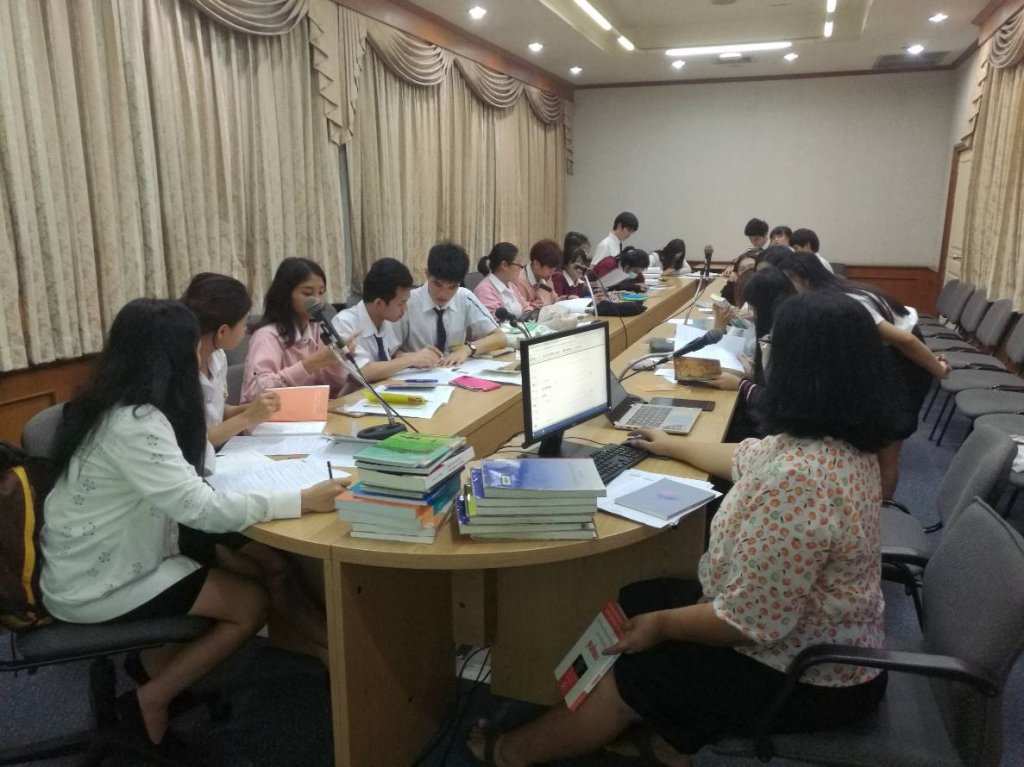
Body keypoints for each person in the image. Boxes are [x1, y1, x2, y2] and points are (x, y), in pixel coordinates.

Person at [468, 291, 892, 767]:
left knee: (641, 667)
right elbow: (745, 456)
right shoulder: (834, 442)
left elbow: (746, 623)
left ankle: (511, 752)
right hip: (806, 636)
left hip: (807, 676)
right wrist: (670, 446)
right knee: (637, 597)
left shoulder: (800, 479)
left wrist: (659, 627)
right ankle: (650, 730)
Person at [40, 299, 348, 747]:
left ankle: (152, 666)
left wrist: (191, 411)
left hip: (111, 556)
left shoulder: (118, 401)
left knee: (246, 572)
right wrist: (301, 500)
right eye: (192, 348)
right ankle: (151, 699)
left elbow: (199, 465)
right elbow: (201, 508)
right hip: (97, 580)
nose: (200, 355)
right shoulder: (135, 423)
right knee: (249, 604)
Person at [766, 250, 950, 497]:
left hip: (903, 365)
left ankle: (882, 511)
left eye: (789, 283)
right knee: (872, 443)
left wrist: (938, 369)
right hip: (885, 359)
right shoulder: (830, 296)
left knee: (887, 451)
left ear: (804, 277)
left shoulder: (849, 301)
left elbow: (906, 341)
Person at [180, 273, 280, 449]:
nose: (245, 329)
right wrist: (247, 417)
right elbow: (194, 441)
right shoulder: (180, 369)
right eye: (244, 323)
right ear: (223, 331)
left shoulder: (217, 357)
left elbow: (215, 411)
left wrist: (253, 409)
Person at [242, 257, 350, 403]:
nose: (317, 300)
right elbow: (256, 392)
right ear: (286, 294)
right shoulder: (266, 336)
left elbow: (331, 389)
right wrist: (308, 365)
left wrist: (336, 361)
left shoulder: (316, 330)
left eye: (321, 292)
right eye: (307, 293)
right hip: (274, 416)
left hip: (308, 411)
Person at [331, 257, 441, 383]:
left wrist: (420, 357)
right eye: (401, 304)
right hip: (350, 394)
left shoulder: (384, 319)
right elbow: (361, 372)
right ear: (379, 303)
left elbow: (392, 355)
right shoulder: (344, 323)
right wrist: (410, 359)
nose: (405, 309)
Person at [399, 241, 508, 366]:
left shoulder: (464, 297)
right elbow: (389, 351)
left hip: (453, 371)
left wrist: (467, 349)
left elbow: (500, 338)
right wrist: (413, 358)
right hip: (416, 372)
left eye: (452, 287)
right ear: (427, 274)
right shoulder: (406, 303)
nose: (443, 294)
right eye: (438, 284)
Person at [473, 242, 531, 321]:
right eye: (519, 265)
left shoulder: (511, 285)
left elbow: (526, 307)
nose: (520, 269)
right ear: (504, 265)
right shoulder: (484, 290)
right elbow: (495, 322)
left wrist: (529, 315)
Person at [516, 239, 562, 309]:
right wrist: (535, 305)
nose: (552, 273)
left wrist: (565, 298)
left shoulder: (546, 276)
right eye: (550, 268)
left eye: (554, 270)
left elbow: (553, 299)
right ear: (536, 264)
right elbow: (521, 310)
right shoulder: (519, 280)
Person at [552, 232, 591, 298]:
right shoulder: (558, 276)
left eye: (582, 263)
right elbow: (557, 300)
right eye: (584, 248)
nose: (586, 253)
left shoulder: (579, 279)